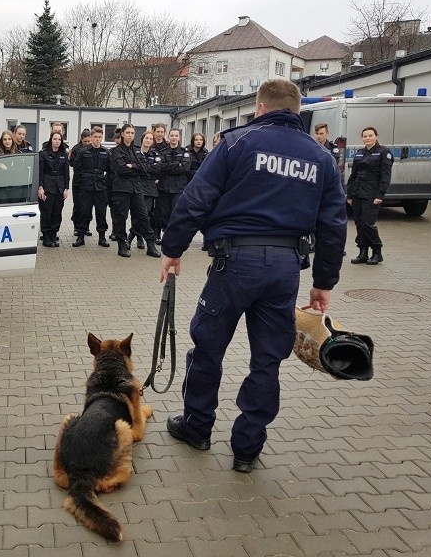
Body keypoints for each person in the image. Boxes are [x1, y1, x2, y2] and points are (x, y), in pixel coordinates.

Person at [159, 79, 347, 473]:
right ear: (297, 111)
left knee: (208, 347)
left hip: (233, 265)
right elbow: (334, 225)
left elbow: (196, 198)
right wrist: (323, 283)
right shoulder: (321, 157)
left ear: (260, 108)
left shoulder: (236, 142)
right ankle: (247, 448)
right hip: (284, 269)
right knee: (267, 360)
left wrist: (173, 250)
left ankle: (197, 427)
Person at [110, 124, 161, 258]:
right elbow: (120, 169)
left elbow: (144, 167)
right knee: (121, 217)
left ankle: (150, 245)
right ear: (122, 134)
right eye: (128, 133)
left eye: (132, 133)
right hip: (121, 189)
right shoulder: (116, 151)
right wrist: (135, 168)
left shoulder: (137, 151)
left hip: (137, 188)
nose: (130, 135)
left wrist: (132, 165)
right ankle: (122, 245)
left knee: (143, 216)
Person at [347, 126, 393, 265]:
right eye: (365, 136)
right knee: (359, 224)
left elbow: (386, 176)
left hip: (372, 194)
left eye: (370, 136)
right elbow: (353, 175)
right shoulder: (360, 153)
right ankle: (363, 252)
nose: (367, 138)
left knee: (368, 224)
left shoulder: (383, 152)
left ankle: (377, 251)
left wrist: (380, 195)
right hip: (357, 193)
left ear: (376, 136)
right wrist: (349, 195)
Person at [69, 127, 111, 248]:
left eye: (99, 137)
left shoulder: (106, 153)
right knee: (84, 212)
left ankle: (102, 237)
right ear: (91, 138)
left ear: (101, 138)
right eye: (95, 137)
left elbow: (110, 170)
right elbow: (76, 167)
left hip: (100, 187)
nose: (97, 139)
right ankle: (80, 237)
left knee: (101, 213)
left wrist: (105, 183)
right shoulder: (83, 152)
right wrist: (84, 179)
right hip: (86, 186)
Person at [156, 129, 191, 244]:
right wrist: (177, 164)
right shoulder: (163, 152)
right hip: (164, 186)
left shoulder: (185, 152)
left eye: (176, 136)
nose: (174, 138)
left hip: (179, 187)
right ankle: (163, 234)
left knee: (175, 212)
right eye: (172, 136)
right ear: (168, 137)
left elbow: (185, 168)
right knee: (163, 212)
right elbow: (161, 167)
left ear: (179, 137)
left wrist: (169, 166)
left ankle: (173, 236)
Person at [127, 131, 160, 250]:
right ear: (142, 139)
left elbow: (157, 169)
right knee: (136, 214)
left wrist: (137, 167)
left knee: (144, 215)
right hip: (137, 186)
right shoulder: (135, 153)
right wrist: (143, 168)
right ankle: (139, 238)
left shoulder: (155, 154)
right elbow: (143, 168)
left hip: (150, 188)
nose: (148, 140)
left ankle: (131, 237)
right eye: (147, 138)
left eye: (151, 139)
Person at [38, 131, 70, 248]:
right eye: (55, 139)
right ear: (51, 140)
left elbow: (66, 173)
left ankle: (53, 234)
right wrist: (40, 187)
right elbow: (40, 172)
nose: (57, 141)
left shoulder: (64, 154)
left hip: (59, 187)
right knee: (46, 212)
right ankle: (46, 237)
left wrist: (66, 188)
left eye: (59, 139)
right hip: (47, 186)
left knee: (57, 212)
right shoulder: (43, 154)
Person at [71, 130, 93, 237]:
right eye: (85, 141)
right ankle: (77, 227)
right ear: (81, 139)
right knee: (78, 205)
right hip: (78, 182)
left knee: (88, 206)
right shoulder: (76, 149)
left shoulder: (94, 149)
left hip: (89, 182)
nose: (88, 143)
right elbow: (71, 163)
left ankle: (86, 226)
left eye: (89, 141)